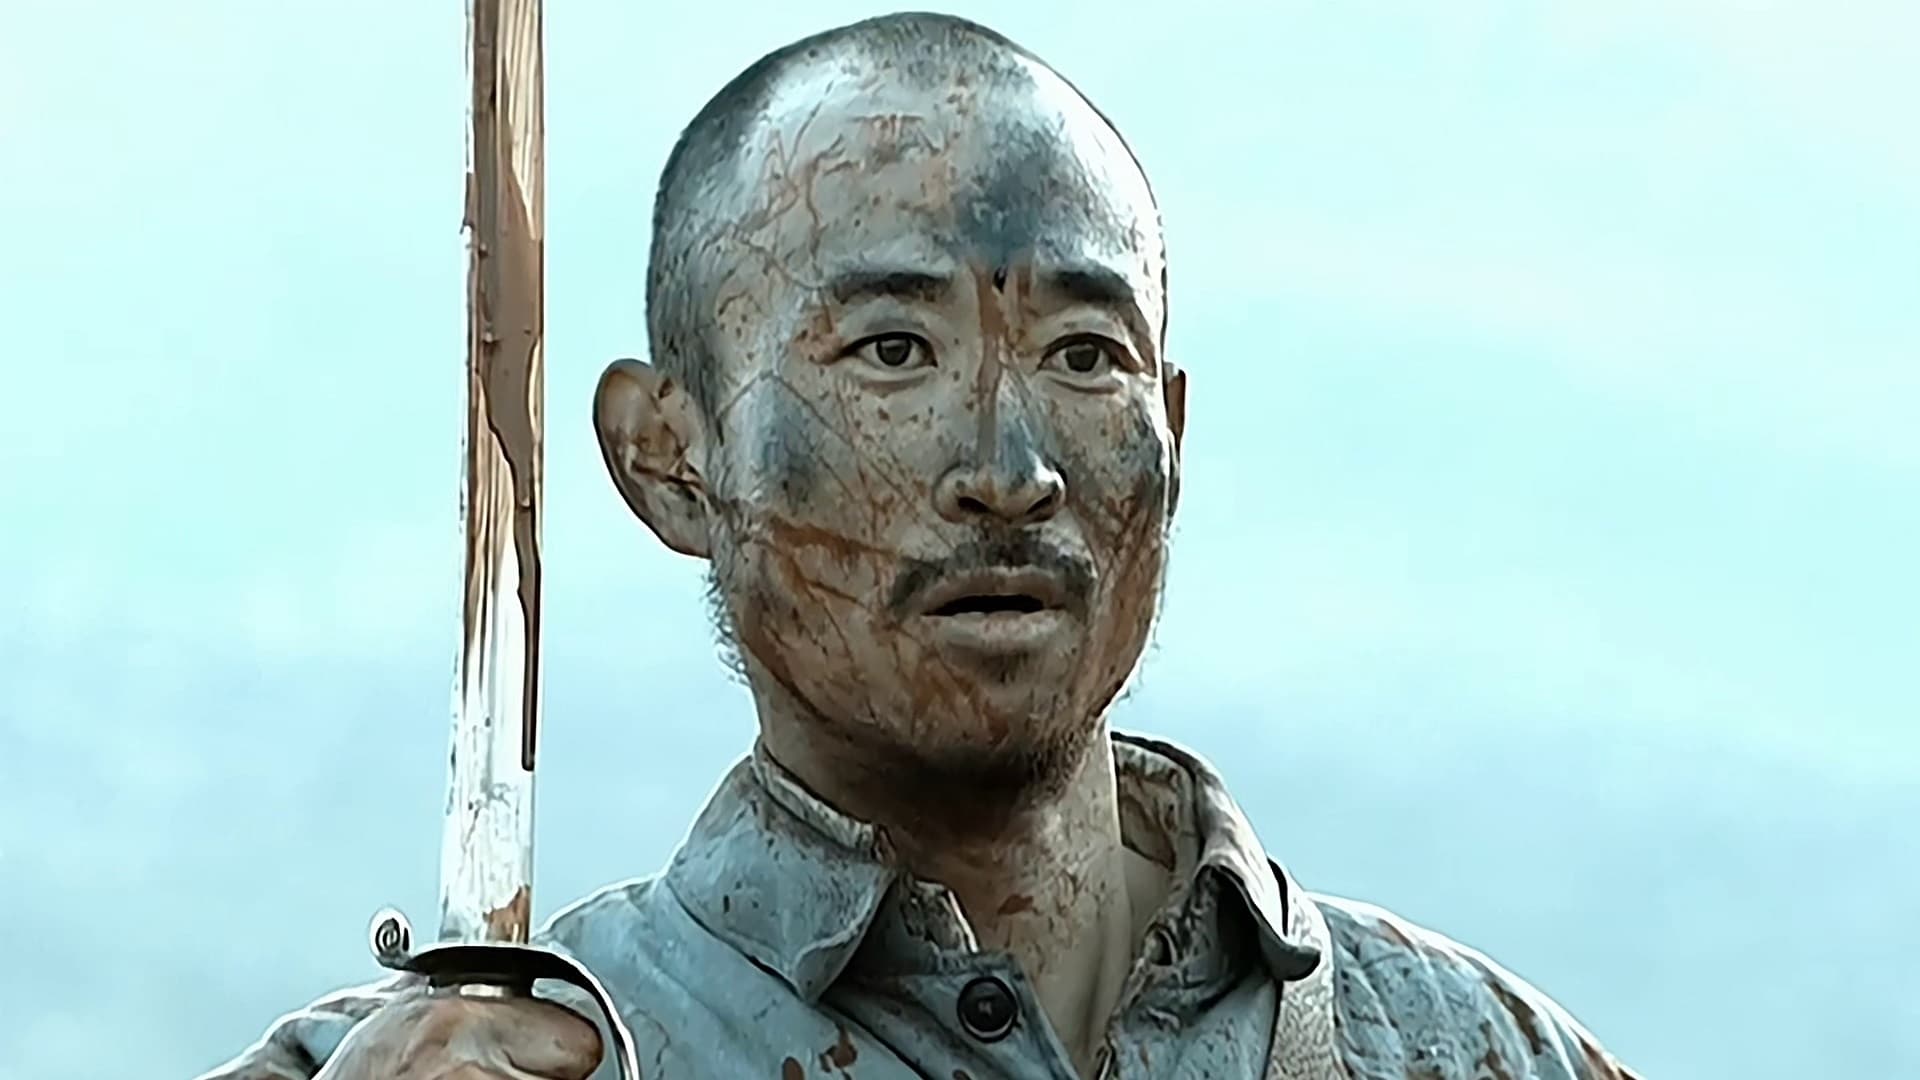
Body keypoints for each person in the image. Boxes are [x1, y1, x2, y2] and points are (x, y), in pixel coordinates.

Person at [202, 13, 1640, 1080]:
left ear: (1174, 433)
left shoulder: (1471, 1051)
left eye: (1086, 356)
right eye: (893, 350)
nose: (1012, 473)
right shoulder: (447, 1067)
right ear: (667, 457)